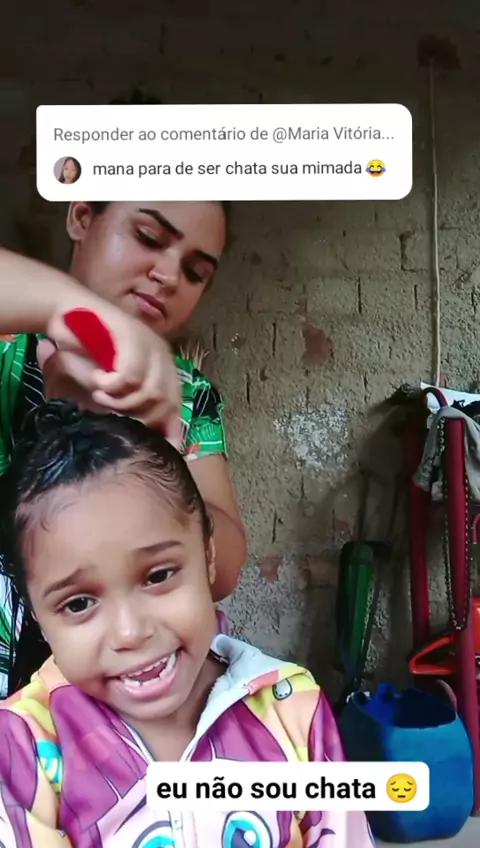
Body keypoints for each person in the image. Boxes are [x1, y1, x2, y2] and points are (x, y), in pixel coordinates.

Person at [0, 401, 374, 847]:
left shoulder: (289, 707)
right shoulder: (23, 746)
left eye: (158, 576)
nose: (130, 632)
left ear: (208, 554)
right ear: (36, 615)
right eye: (79, 603)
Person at [0, 200, 246, 696]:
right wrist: (76, 313)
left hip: (110, 709)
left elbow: (223, 569)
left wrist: (152, 460)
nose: (168, 276)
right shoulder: (7, 352)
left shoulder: (186, 396)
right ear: (82, 217)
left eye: (195, 272)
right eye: (148, 237)